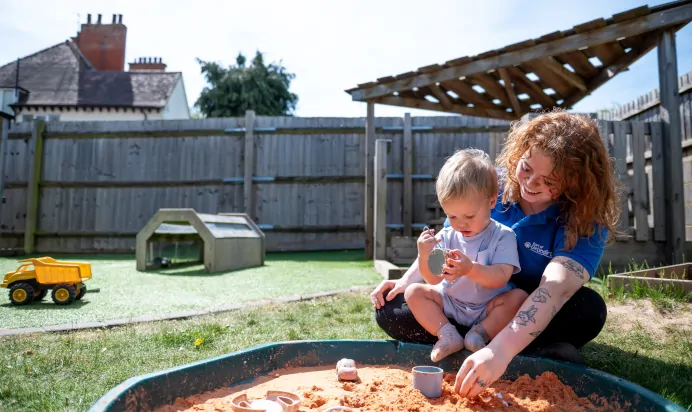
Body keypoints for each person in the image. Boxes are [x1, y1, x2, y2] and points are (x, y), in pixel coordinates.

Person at [369, 109, 621, 399]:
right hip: (462, 297)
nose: (530, 183)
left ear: (577, 181)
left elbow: (555, 290)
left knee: (587, 311)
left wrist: (498, 351)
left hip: (516, 306)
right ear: (518, 154)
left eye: (549, 180)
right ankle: (495, 346)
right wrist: (405, 280)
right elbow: (447, 237)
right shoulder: (490, 183)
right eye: (526, 168)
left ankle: (499, 347)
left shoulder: (585, 218)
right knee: (391, 309)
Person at [405, 148, 524, 363]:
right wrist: (424, 256)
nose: (460, 224)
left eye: (469, 216)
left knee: (519, 299)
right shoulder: (448, 235)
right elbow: (433, 279)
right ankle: (447, 335)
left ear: (491, 202)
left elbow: (501, 277)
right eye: (452, 216)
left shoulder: (504, 235)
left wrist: (470, 269)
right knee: (414, 292)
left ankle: (479, 335)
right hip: (450, 302)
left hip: (488, 306)